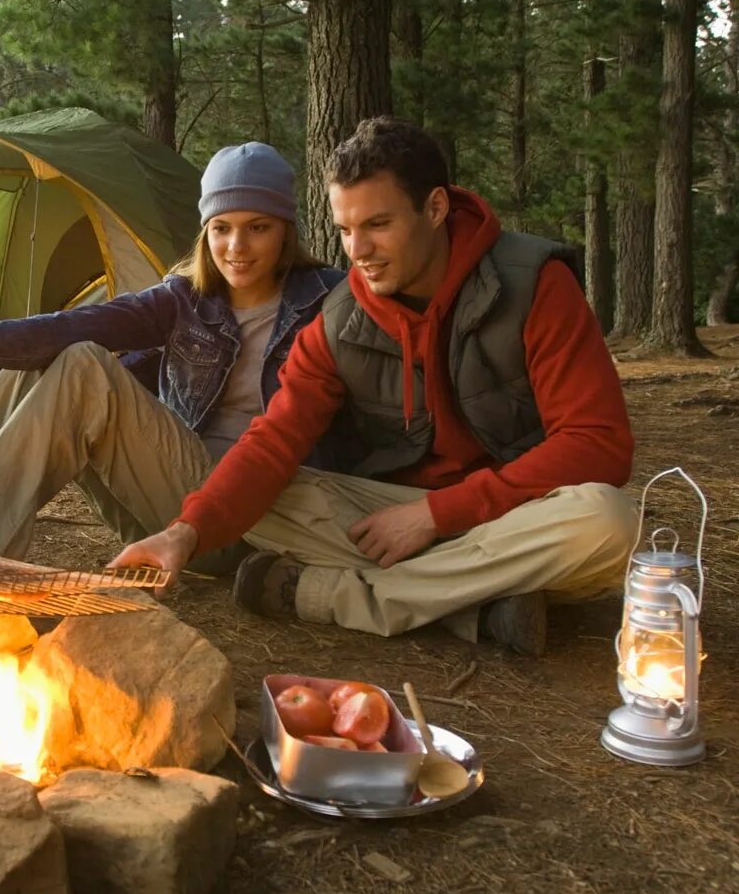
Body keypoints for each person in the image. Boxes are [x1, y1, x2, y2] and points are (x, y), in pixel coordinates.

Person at [110, 117, 637, 656]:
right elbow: (273, 441)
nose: (358, 250)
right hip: (389, 518)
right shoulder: (341, 320)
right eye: (344, 230)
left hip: (513, 512)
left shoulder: (533, 284)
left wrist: (437, 516)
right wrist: (185, 533)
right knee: (262, 496)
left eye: (378, 224)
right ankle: (480, 597)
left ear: (434, 208)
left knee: (609, 521)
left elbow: (599, 444)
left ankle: (337, 596)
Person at [0, 142, 357, 561]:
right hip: (162, 508)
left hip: (250, 522)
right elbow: (83, 321)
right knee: (43, 358)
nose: (236, 246)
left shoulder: (328, 301)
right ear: (205, 232)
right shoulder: (185, 298)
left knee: (83, 365)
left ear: (286, 230)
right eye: (221, 227)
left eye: (258, 228)